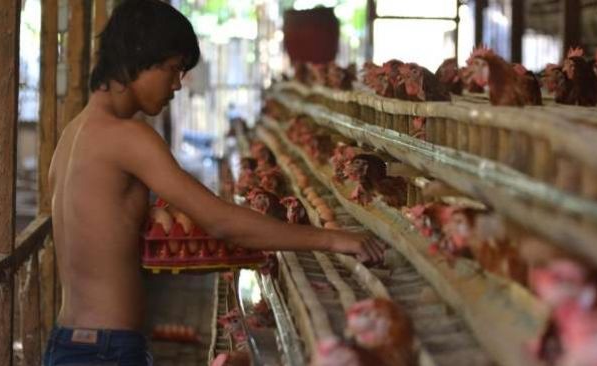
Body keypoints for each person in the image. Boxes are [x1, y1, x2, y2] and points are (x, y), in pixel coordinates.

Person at [42, 1, 384, 365]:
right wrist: (334, 239)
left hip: (66, 344)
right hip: (105, 352)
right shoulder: (128, 137)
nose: (177, 84)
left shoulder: (71, 135)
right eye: (173, 69)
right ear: (140, 56)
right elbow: (221, 221)